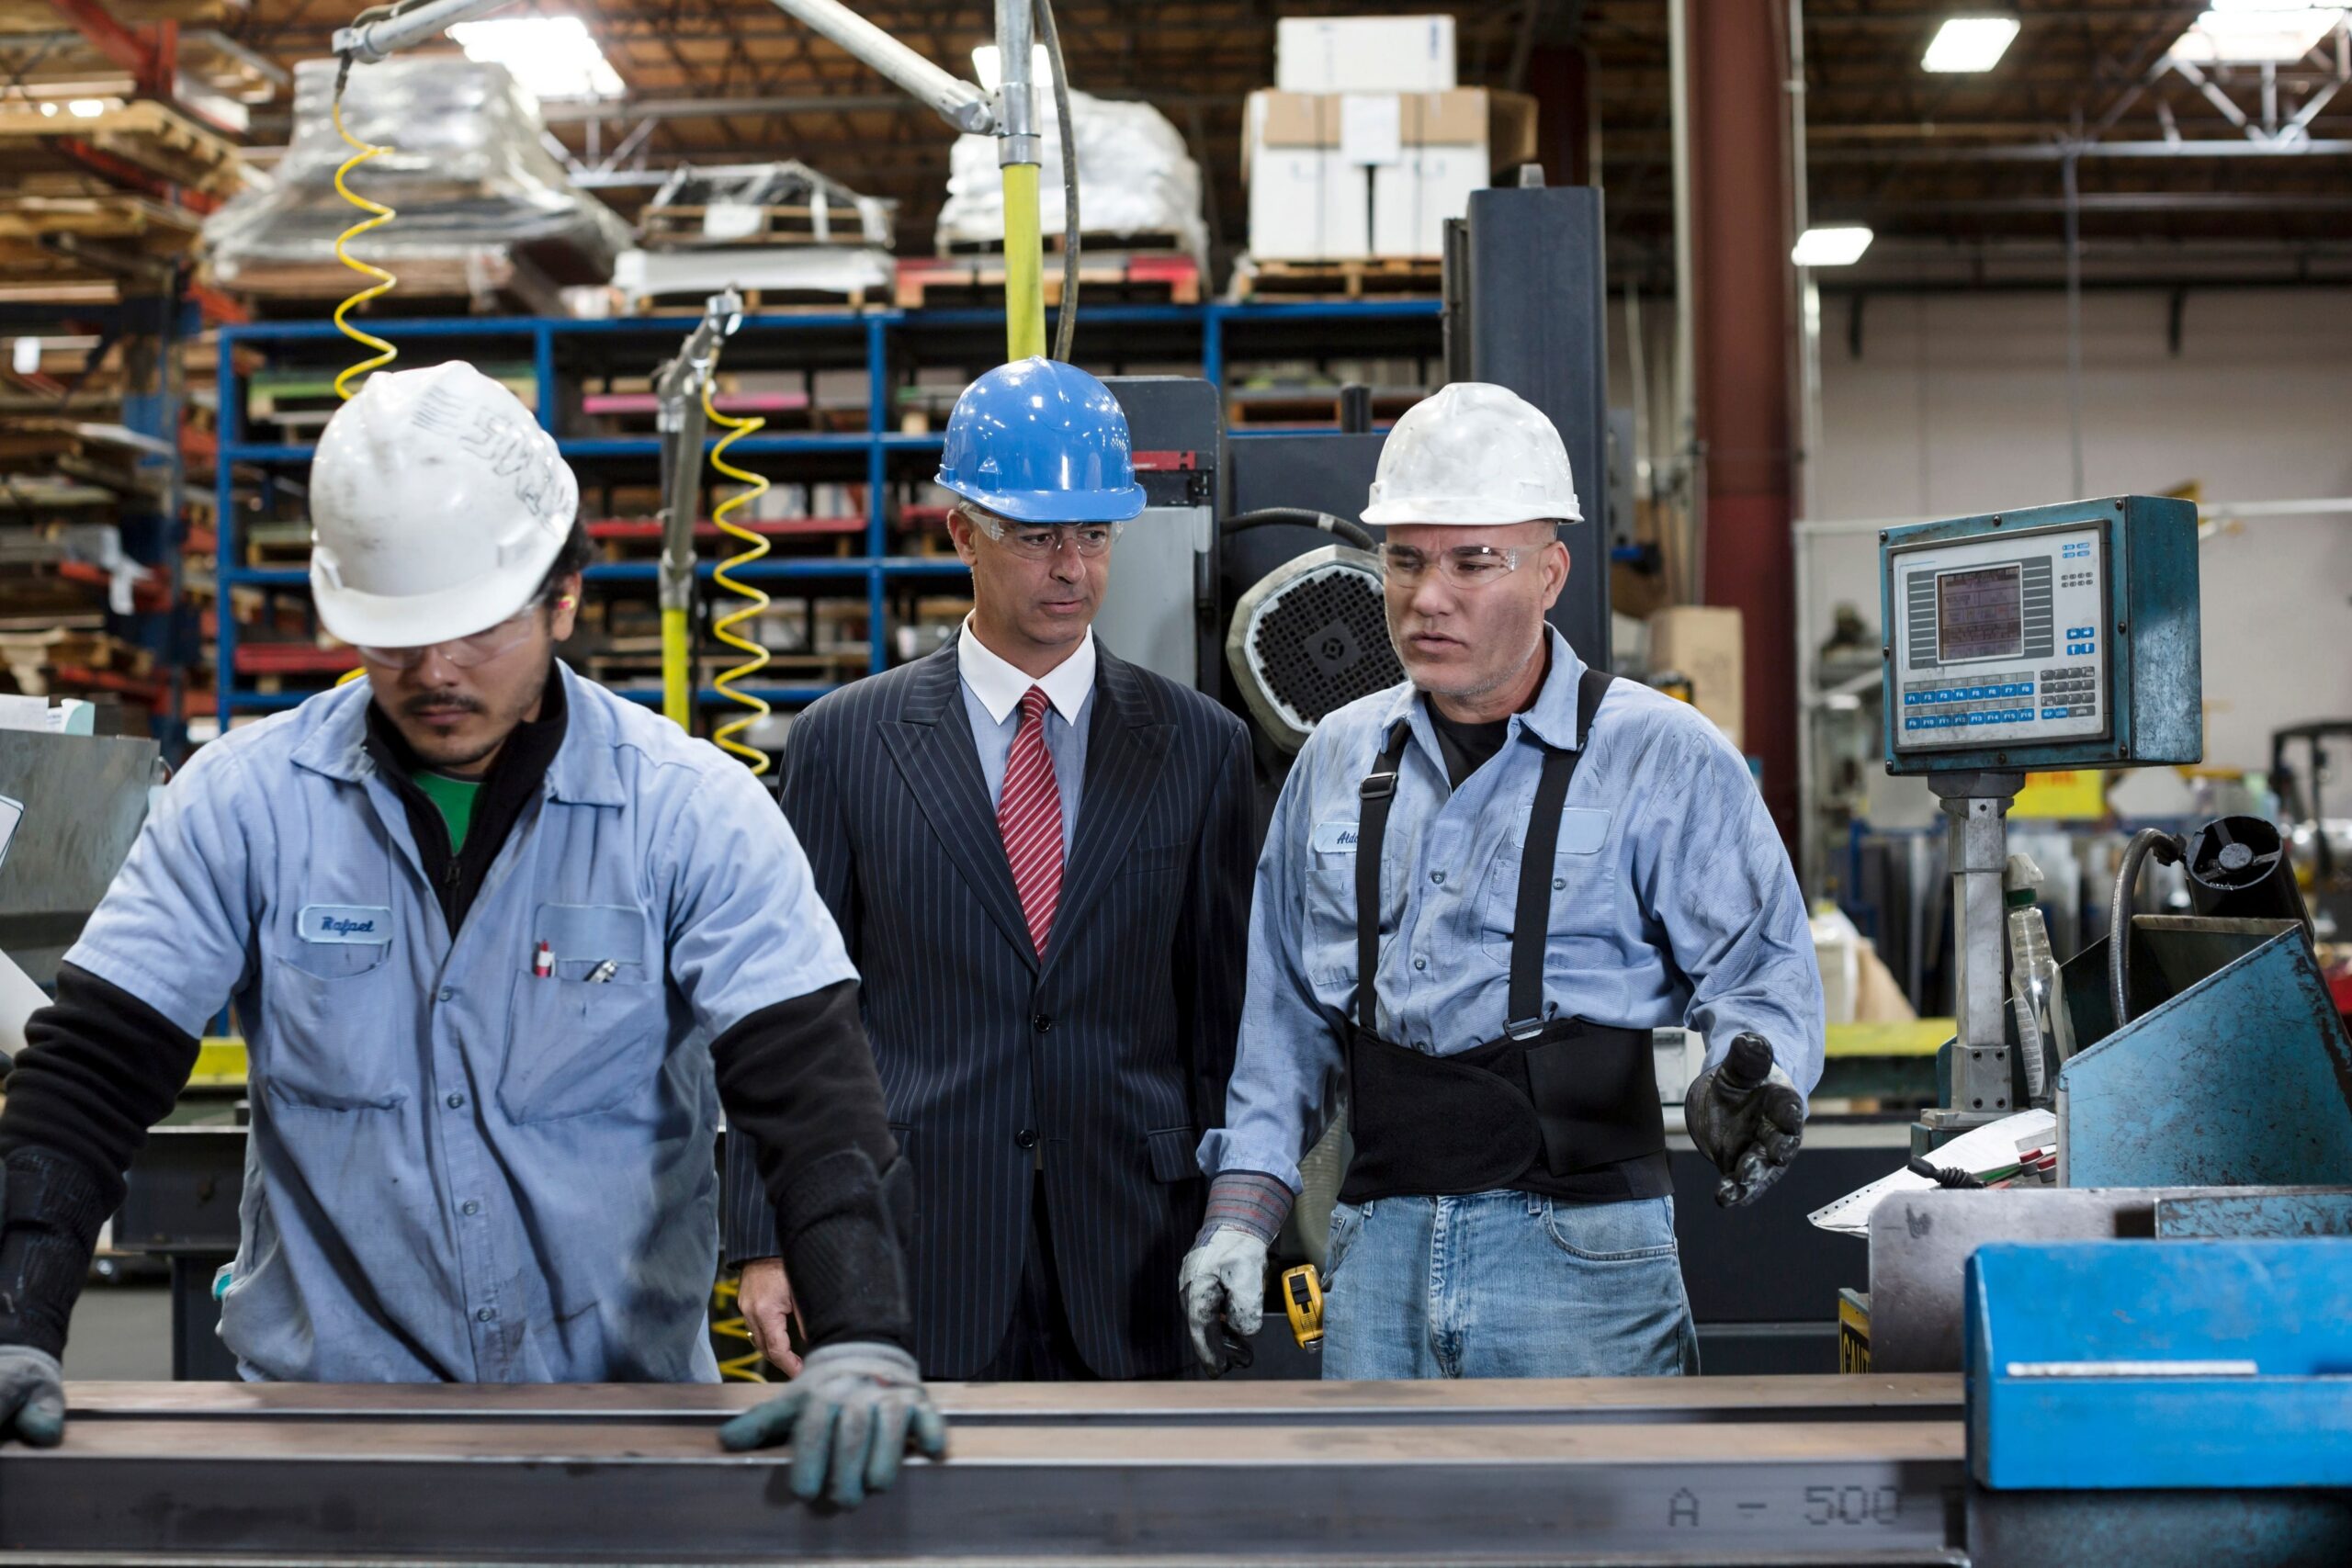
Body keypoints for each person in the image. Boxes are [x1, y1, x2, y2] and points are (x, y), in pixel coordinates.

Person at [0, 363, 939, 1505]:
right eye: (398, 639)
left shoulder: (689, 811)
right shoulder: (244, 802)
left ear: (565, 598)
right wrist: (18, 1321)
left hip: (621, 1435)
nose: (436, 674)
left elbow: (810, 1093)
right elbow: (93, 1069)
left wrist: (862, 1333)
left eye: (474, 631)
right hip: (319, 1437)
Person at [1178, 382, 1821, 1381]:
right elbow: (1284, 1029)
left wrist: (1754, 1082)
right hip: (1373, 1252)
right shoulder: (1337, 757)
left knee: (1591, 1536)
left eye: (1473, 561)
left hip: (1583, 1265)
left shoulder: (1661, 755)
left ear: (1551, 571)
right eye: (1404, 560)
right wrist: (1239, 1218)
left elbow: (1759, 979)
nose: (1428, 596)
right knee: (1387, 1540)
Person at [722, 356, 1253, 1381]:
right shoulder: (847, 742)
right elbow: (786, 1013)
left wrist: (1237, 1217)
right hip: (918, 1242)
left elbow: (1222, 1022)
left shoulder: (1199, 745)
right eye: (1037, 536)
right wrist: (763, 1229)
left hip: (1136, 1242)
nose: (1072, 569)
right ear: (962, 530)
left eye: (1094, 535)